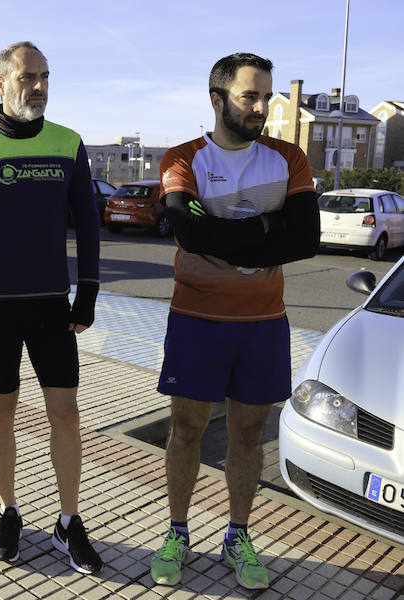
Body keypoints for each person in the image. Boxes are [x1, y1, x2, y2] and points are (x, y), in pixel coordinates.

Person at [150, 53, 319, 590]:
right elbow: (186, 229)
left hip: (263, 322)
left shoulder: (290, 159)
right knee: (187, 428)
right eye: (250, 96)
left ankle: (237, 534)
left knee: (247, 433)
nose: (262, 107)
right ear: (218, 99)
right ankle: (177, 531)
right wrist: (268, 227)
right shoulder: (182, 159)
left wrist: (222, 230)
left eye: (266, 96)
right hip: (197, 319)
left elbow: (306, 240)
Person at [0, 41, 103, 574]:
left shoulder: (68, 143)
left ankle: (68, 521)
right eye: (27, 76)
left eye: (45, 76)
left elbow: (88, 223)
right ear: (1, 83)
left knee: (66, 413)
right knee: (1, 414)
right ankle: (8, 511)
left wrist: (89, 291)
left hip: (51, 308)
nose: (38, 85)